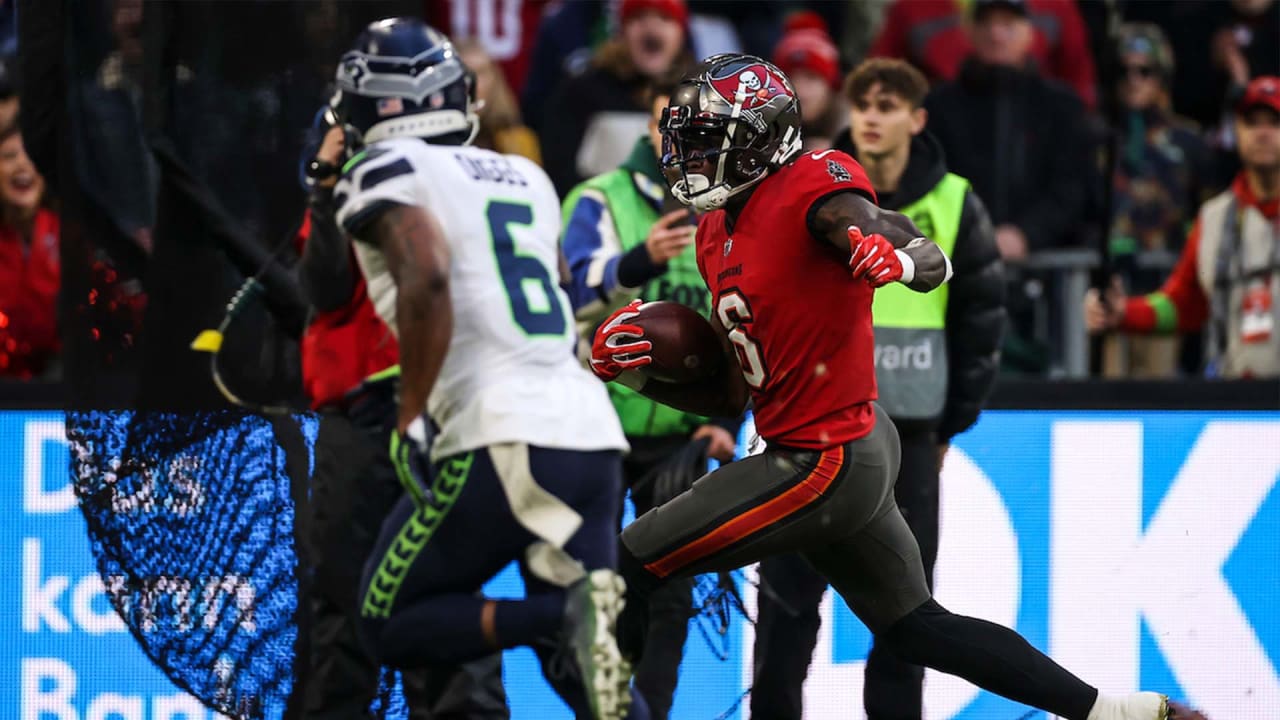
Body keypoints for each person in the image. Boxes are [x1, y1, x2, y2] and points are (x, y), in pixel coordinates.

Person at [590, 53, 1205, 720]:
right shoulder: (713, 230)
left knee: (635, 563)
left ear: (761, 138)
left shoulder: (811, 183)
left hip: (821, 457)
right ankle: (1123, 712)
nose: (690, 156)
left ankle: (617, 712)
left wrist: (901, 258)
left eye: (708, 140)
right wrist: (648, 374)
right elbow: (736, 394)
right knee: (918, 626)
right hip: (825, 446)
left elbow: (904, 238)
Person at [329, 19, 643, 720]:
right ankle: (566, 617)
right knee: (587, 676)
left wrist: (411, 414)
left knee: (390, 621)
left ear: (374, 105)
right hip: (588, 436)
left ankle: (557, 616)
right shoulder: (523, 172)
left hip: (501, 434)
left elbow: (429, 276)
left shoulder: (385, 168)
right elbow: (563, 296)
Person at [749, 57, 1006, 720]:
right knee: (786, 609)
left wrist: (953, 423)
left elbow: (982, 315)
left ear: (918, 120)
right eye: (862, 103)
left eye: (888, 105)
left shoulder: (954, 202)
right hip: (811, 430)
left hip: (910, 436)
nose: (870, 115)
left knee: (904, 619)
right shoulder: (809, 194)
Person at [292, 110, 508, 720]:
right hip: (372, 419)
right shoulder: (349, 183)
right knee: (347, 609)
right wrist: (326, 182)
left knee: (441, 601)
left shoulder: (448, 179)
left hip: (437, 411)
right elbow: (328, 286)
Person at [561, 81, 737, 720]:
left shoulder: (726, 205)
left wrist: (724, 419)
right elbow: (568, 299)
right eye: (676, 116)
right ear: (652, 117)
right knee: (600, 590)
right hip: (599, 432)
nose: (688, 130)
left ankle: (650, 714)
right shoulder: (600, 199)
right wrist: (636, 260)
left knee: (671, 592)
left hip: (684, 433)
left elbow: (739, 319)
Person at [924, 0, 1096, 374]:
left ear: (1030, 33)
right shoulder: (939, 107)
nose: (996, 33)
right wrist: (974, 236)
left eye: (1008, 22)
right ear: (968, 32)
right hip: (956, 278)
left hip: (1045, 286)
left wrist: (1026, 235)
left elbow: (1074, 189)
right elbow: (929, 183)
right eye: (986, 23)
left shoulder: (1062, 107)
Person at [1085, 75, 1280, 380]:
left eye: (1274, 122)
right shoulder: (1214, 217)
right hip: (1239, 407)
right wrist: (1125, 313)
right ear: (1238, 131)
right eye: (1252, 122)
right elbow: (1184, 303)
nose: (1262, 133)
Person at [1101, 23, 1212, 378]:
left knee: (1159, 387)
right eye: (1125, 71)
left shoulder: (1189, 142)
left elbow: (1209, 212)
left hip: (1168, 285)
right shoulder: (1101, 141)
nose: (1134, 80)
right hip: (1113, 285)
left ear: (1161, 76)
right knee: (1110, 395)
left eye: (1145, 71)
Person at [540, 0, 691, 196]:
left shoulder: (696, 94)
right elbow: (558, 168)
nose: (651, 26)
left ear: (681, 34)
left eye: (665, 18)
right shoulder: (583, 90)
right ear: (622, 32)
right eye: (639, 18)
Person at [869, 0, 1097, 109]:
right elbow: (879, 78)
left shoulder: (1057, 8)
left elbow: (1079, 79)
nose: (996, 34)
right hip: (943, 132)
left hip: (1036, 134)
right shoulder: (912, 9)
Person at [0, 126, 59, 379]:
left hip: (56, 379)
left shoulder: (70, 236)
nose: (23, 165)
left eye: (32, 155)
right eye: (9, 156)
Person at [455, 39, 542, 164]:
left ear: (495, 79)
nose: (472, 84)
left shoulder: (520, 141)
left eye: (480, 72)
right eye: (463, 73)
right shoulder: (433, 142)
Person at [771, 25, 842, 151]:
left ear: (830, 85)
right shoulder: (765, 130)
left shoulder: (855, 128)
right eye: (791, 78)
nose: (800, 90)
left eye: (811, 78)